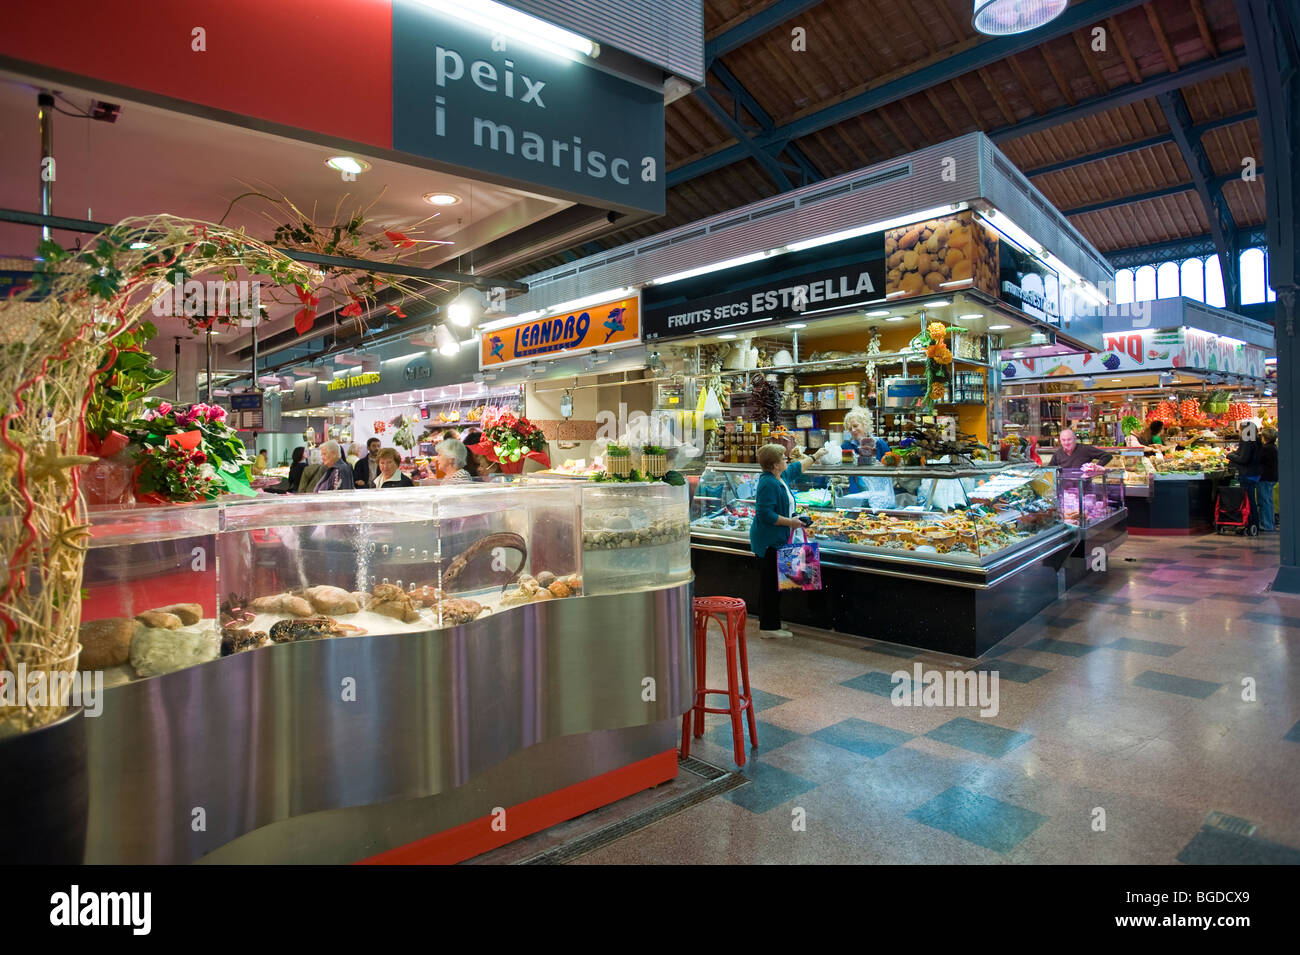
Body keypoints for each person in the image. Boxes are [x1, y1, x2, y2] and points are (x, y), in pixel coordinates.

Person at [750, 443, 811, 640]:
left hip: (778, 539)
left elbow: (796, 468)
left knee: (775, 583)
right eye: (784, 458)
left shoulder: (779, 477)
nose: (787, 460)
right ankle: (768, 627)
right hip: (769, 541)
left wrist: (817, 456)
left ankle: (771, 620)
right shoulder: (768, 483)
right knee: (769, 584)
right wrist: (791, 522)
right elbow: (765, 514)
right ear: (775, 464)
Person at [1227, 422, 1263, 531]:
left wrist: (1229, 455)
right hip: (1255, 474)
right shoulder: (1257, 440)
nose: (1239, 432)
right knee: (1252, 500)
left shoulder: (1246, 441)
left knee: (1249, 500)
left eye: (1240, 429)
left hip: (1247, 474)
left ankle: (1252, 523)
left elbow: (1243, 459)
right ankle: (1254, 523)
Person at [1048, 428, 1112, 471]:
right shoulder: (1058, 454)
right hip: (1065, 488)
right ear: (1060, 441)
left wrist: (1097, 466)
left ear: (1075, 439)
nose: (1066, 443)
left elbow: (1107, 456)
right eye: (1063, 440)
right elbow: (1049, 469)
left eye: (1069, 439)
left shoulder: (1085, 449)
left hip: (1084, 488)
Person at [1259, 427, 1278, 531]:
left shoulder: (1266, 449)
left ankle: (1266, 525)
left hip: (1265, 478)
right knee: (1269, 501)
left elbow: (1259, 461)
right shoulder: (1274, 448)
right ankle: (1270, 523)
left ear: (1265, 437)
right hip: (1273, 477)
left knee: (1264, 501)